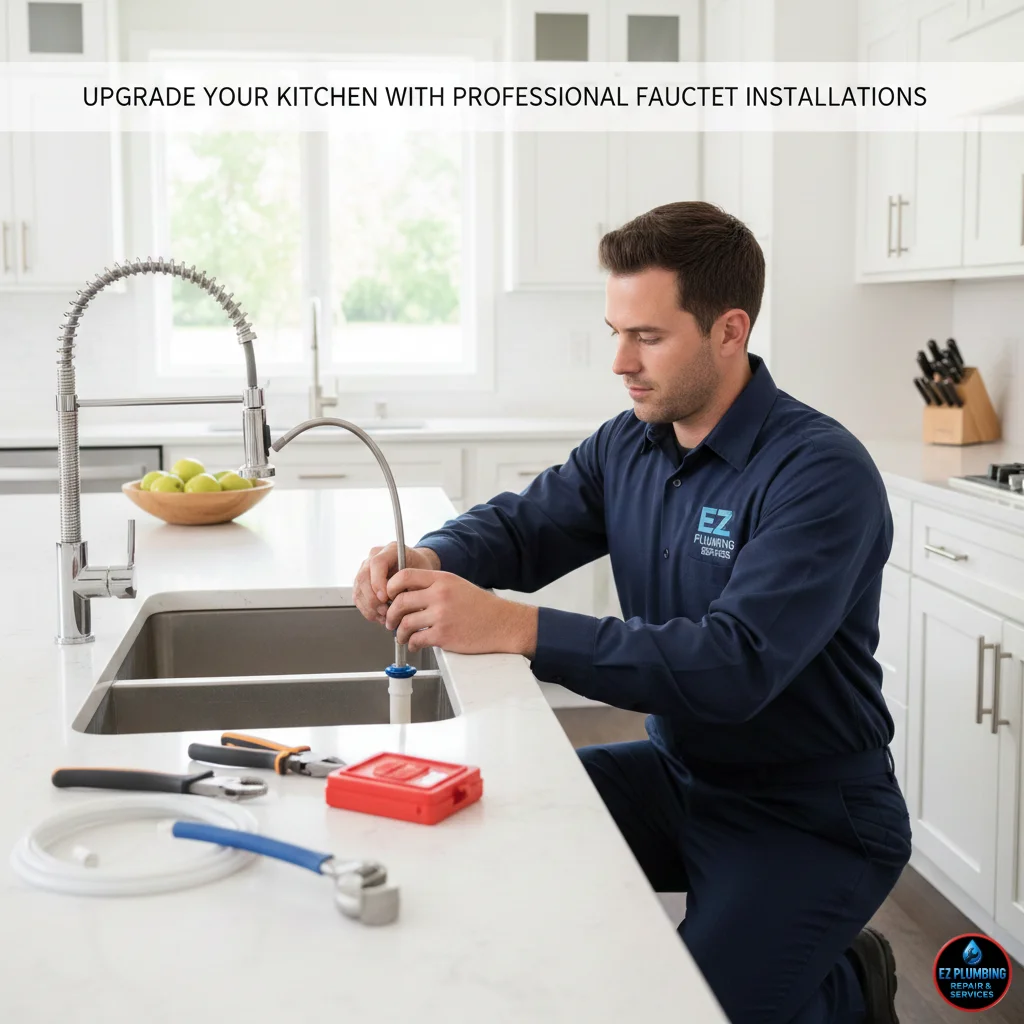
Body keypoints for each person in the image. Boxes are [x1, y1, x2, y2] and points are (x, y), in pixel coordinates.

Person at [353, 201, 911, 1024]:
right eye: (617, 330)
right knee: (477, 817)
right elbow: (523, 524)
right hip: (681, 778)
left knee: (690, 1012)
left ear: (729, 330)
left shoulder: (821, 474)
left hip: (809, 815)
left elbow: (735, 664)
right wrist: (431, 557)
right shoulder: (631, 443)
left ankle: (846, 986)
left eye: (647, 336)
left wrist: (518, 628)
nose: (620, 360)